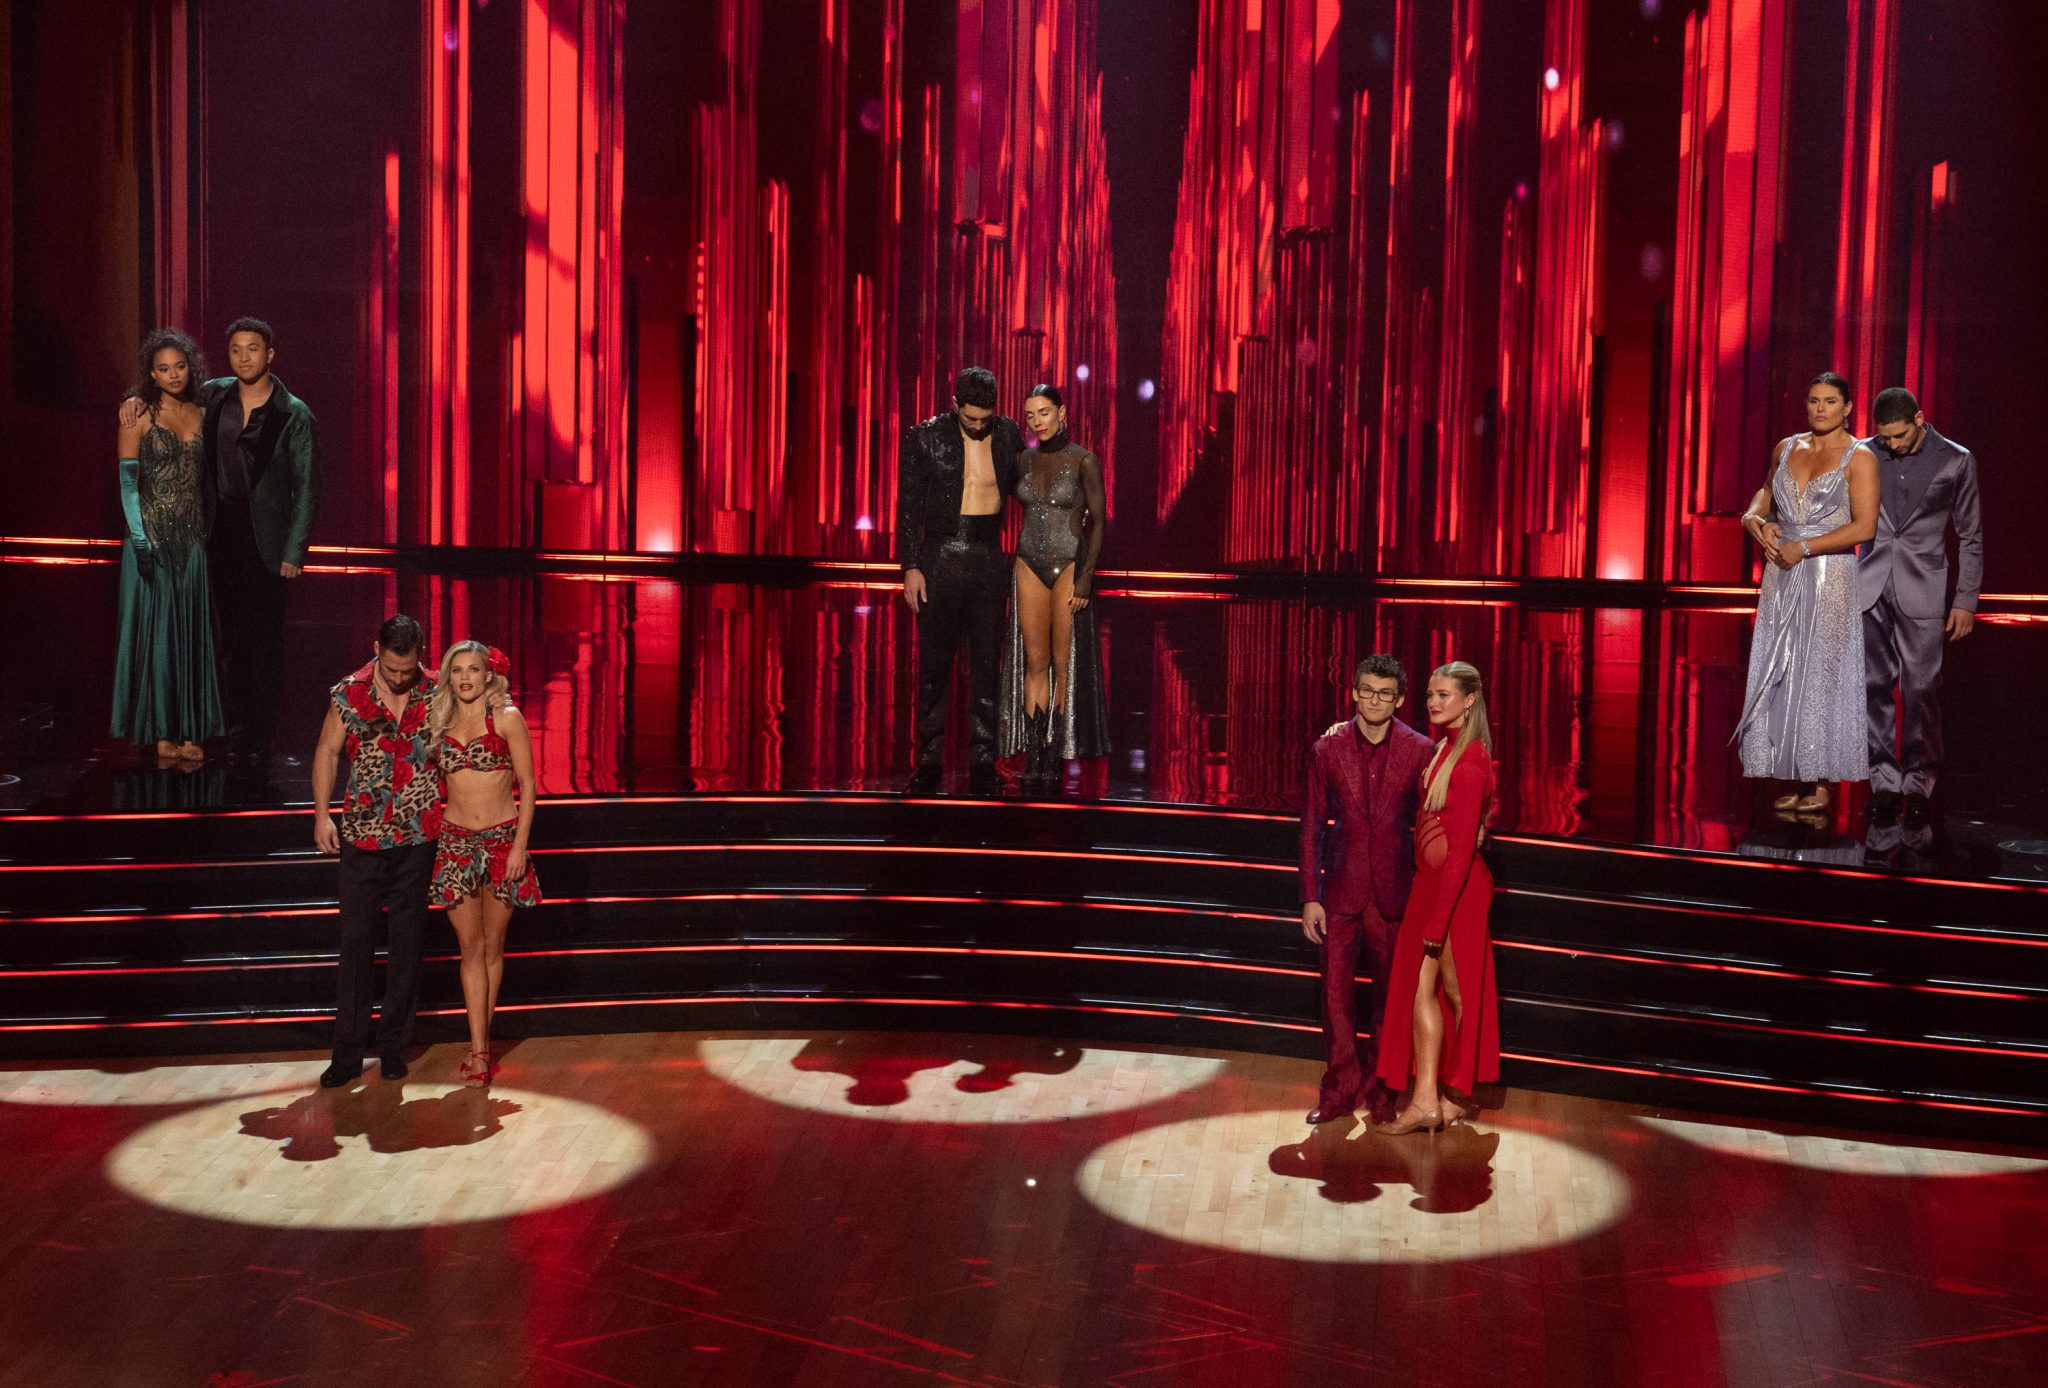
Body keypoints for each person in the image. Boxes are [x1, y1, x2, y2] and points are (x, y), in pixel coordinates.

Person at [120, 316, 319, 764]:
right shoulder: (214, 394)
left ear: (270, 354)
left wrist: (294, 550)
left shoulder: (294, 413)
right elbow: (165, 390)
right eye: (236, 350)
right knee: (225, 638)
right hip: (217, 531)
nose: (244, 357)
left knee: (265, 639)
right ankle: (232, 730)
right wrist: (131, 399)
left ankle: (259, 735)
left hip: (268, 538)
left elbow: (308, 487)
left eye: (253, 349)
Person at [1733, 373, 1878, 815]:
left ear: (1847, 408)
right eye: (1814, 400)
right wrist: (1754, 521)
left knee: (1821, 672)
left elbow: (1864, 527)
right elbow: (1764, 494)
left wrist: (1807, 547)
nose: (1820, 409)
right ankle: (1792, 772)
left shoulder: (1860, 457)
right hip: (1781, 571)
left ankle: (1819, 780)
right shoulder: (1787, 447)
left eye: (1830, 401)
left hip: (1829, 575)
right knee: (1783, 667)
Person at [1298, 655, 1434, 1125]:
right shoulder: (1326, 748)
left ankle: (1381, 1089)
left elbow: (1432, 819)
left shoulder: (1420, 750)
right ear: (1355, 693)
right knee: (1335, 999)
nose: (1375, 700)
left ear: (1399, 699)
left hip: (1393, 894)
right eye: (1368, 691)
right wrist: (1310, 895)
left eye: (1385, 693)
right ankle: (1338, 1090)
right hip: (1339, 892)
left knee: (1388, 1000)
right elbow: (1311, 825)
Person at [309, 615, 443, 1087]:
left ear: (420, 656)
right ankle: (347, 1053)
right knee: (356, 944)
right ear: (376, 650)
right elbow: (327, 751)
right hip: (363, 837)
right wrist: (322, 815)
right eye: (391, 669)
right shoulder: (349, 692)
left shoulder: (437, 690)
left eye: (407, 670)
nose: (400, 678)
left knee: (407, 945)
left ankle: (392, 1047)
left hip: (418, 836)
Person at [1373, 662, 1500, 1136]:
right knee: (1418, 991)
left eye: (1443, 695)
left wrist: (1439, 919)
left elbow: (1462, 852)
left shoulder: (1471, 761)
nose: (1433, 702)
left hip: (1457, 894)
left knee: (1457, 994)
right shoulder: (1444, 748)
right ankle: (1426, 1100)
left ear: (1469, 700)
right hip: (1430, 887)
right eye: (1430, 694)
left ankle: (1455, 1093)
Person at [1858, 387, 1983, 829]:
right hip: (1869, 585)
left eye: (1899, 436)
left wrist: (1965, 600)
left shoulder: (1955, 460)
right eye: (1884, 437)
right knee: (1873, 686)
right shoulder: (1863, 452)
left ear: (1919, 419)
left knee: (1922, 689)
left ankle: (1918, 784)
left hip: (1925, 587)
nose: (1891, 444)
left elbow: (1970, 535)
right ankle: (1883, 782)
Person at [898, 366, 1026, 796]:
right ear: (955, 405)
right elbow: (908, 506)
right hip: (938, 557)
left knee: (987, 665)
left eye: (984, 418)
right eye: (970, 417)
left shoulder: (1007, 434)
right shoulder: (925, 437)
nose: (977, 425)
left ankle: (984, 760)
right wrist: (911, 566)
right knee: (934, 667)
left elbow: (1028, 487)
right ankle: (929, 759)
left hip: (987, 557)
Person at [427, 640, 539, 1088]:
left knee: (493, 946)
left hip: (500, 842)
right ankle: (478, 1051)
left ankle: (482, 1046)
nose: (465, 678)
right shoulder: (439, 720)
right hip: (455, 842)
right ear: (448, 677)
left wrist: (518, 848)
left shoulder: (507, 718)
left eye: (473, 669)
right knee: (469, 949)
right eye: (457, 670)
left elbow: (528, 785)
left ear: (489, 674)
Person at [110, 329, 224, 762]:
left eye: (180, 366)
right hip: (151, 537)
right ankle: (161, 732)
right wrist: (141, 539)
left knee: (191, 637)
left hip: (193, 539)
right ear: (152, 374)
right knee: (158, 637)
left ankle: (191, 732)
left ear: (191, 368)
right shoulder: (137, 414)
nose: (173, 374)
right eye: (163, 368)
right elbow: (128, 484)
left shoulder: (204, 411)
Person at [998, 384, 1110, 793]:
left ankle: (1054, 752)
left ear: (1062, 413)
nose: (1037, 422)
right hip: (1028, 562)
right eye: (1030, 415)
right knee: (1035, 661)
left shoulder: (1084, 460)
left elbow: (1099, 521)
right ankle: (1036, 752)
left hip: (1068, 565)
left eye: (1044, 412)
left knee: (1063, 665)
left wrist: (1086, 576)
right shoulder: (1022, 460)